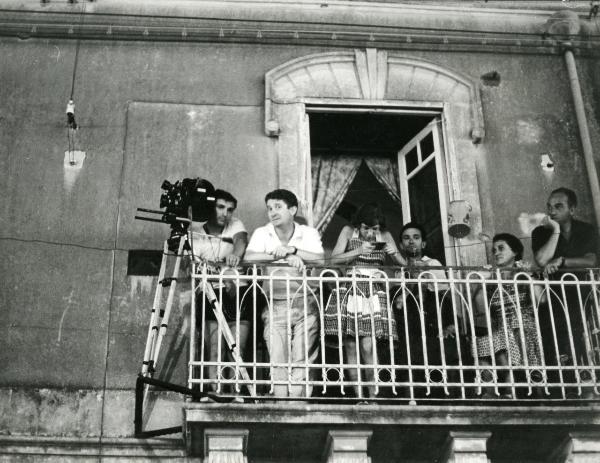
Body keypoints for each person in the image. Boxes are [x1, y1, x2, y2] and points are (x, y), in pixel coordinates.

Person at [244, 189, 324, 398]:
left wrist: (293, 251)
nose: (272, 212)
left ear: (293, 209)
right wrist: (276, 255)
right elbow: (249, 257)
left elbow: (320, 260)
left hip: (305, 302)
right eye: (269, 208)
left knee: (302, 358)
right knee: (277, 359)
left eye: (278, 207)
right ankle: (281, 404)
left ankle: (297, 407)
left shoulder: (308, 233)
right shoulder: (263, 233)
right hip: (274, 303)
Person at [323, 203, 403, 399]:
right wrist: (357, 252)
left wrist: (394, 254)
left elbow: (404, 265)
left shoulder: (384, 235)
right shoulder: (348, 231)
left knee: (368, 344)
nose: (369, 232)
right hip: (351, 288)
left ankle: (373, 397)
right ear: (359, 225)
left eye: (374, 229)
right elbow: (332, 260)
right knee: (350, 345)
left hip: (373, 292)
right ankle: (359, 398)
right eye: (366, 228)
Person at [531, 187, 598, 384]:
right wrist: (556, 230)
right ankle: (564, 382)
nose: (552, 211)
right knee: (556, 339)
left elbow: (591, 260)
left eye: (558, 206)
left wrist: (562, 261)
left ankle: (586, 377)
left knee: (582, 336)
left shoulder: (588, 230)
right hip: (553, 295)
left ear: (573, 209)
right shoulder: (541, 232)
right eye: (549, 207)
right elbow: (542, 260)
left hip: (583, 294)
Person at [190, 189, 250, 401]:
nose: (226, 213)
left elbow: (241, 239)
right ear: (210, 206)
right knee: (214, 344)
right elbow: (196, 262)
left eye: (230, 209)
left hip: (237, 291)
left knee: (237, 344)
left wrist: (235, 254)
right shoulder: (195, 229)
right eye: (221, 207)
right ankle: (215, 391)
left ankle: (236, 392)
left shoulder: (235, 225)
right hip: (209, 291)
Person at [473, 233, 545, 399]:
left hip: (525, 327)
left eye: (501, 248)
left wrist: (529, 276)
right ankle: (491, 391)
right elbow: (480, 309)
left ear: (515, 252)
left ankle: (511, 387)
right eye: (494, 250)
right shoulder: (492, 279)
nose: (496, 253)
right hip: (501, 329)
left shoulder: (523, 273)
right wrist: (479, 283)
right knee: (482, 342)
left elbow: (542, 300)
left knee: (510, 336)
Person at [393, 222, 457, 397]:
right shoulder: (399, 271)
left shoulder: (433, 263)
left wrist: (450, 323)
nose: (411, 242)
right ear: (401, 245)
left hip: (432, 320)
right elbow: (398, 302)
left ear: (423, 244)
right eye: (406, 238)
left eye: (416, 237)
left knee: (442, 358)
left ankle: (446, 400)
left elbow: (444, 295)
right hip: (409, 322)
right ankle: (410, 400)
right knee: (408, 359)